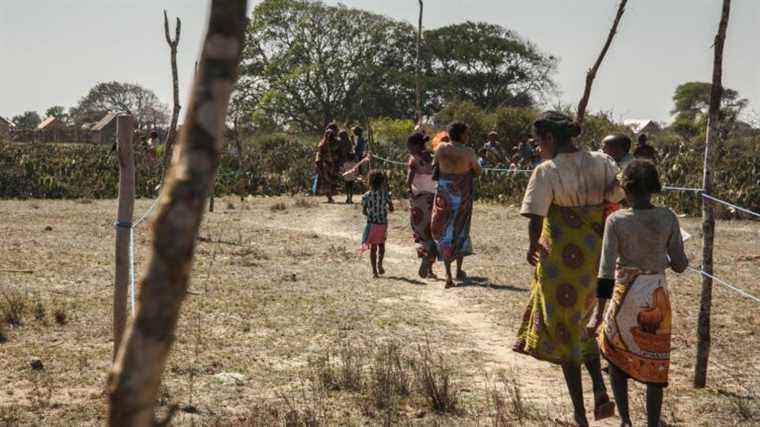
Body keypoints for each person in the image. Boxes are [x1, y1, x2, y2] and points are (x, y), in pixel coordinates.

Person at [514, 111, 624, 427]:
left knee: (564, 329)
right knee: (587, 322)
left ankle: (579, 413)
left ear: (549, 139)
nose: (537, 148)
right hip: (595, 255)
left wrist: (532, 246)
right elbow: (617, 194)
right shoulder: (603, 161)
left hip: (560, 259)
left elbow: (536, 217)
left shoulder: (547, 171)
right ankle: (600, 389)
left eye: (538, 142)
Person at [586, 160, 688, 427]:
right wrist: (661, 259)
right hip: (656, 295)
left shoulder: (617, 220)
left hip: (624, 296)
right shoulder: (667, 217)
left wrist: (598, 314)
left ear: (624, 187)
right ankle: (653, 422)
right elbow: (680, 264)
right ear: (653, 186)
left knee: (616, 356)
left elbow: (605, 270)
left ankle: (626, 421)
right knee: (655, 363)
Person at [431, 121, 481, 288]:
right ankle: (458, 270)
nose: (468, 136)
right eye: (466, 133)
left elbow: (435, 166)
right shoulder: (468, 152)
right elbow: (478, 170)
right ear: (461, 135)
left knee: (445, 232)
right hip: (462, 196)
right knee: (461, 230)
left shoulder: (441, 148)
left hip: (444, 196)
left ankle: (447, 274)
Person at [406, 132, 438, 279]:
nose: (408, 149)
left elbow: (409, 180)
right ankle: (430, 268)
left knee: (420, 232)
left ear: (416, 145)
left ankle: (425, 257)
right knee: (432, 232)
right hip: (433, 198)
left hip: (419, 200)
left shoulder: (414, 160)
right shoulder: (431, 157)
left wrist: (409, 192)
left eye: (409, 146)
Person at [361, 170, 394, 278]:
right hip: (382, 224)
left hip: (371, 224)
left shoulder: (366, 195)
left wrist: (370, 213)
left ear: (370, 182)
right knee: (382, 245)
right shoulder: (385, 194)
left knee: (373, 248)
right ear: (382, 182)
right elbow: (391, 208)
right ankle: (380, 264)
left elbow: (364, 211)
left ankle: (374, 271)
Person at [315, 128, 339, 203]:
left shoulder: (334, 143)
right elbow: (319, 154)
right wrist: (319, 163)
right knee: (326, 180)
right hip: (325, 164)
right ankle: (329, 197)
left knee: (329, 180)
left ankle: (329, 196)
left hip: (330, 164)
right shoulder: (322, 144)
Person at [337, 129, 356, 204]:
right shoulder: (349, 142)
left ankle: (348, 197)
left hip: (344, 162)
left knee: (347, 186)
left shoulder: (340, 143)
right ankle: (350, 198)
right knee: (351, 186)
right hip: (349, 164)